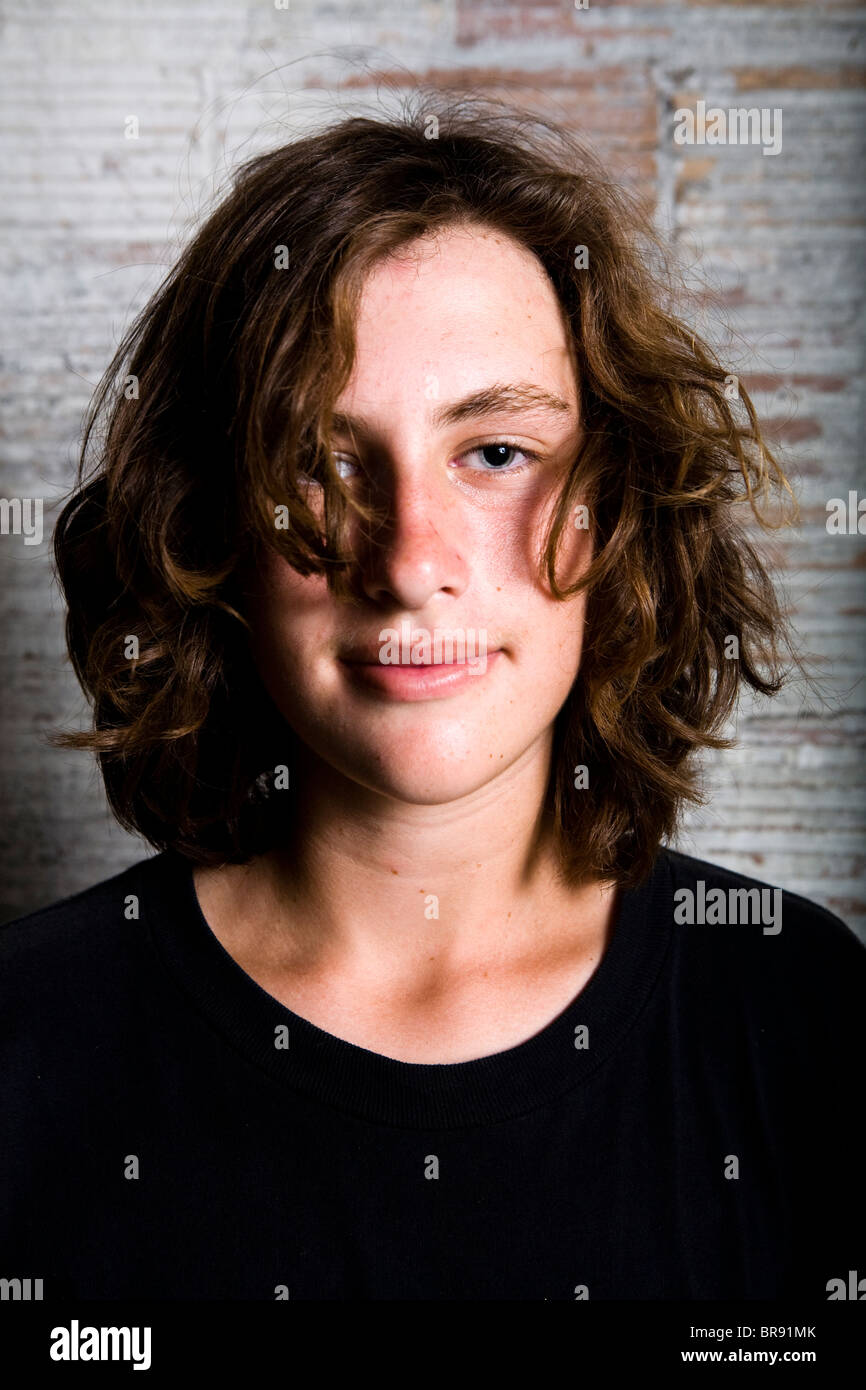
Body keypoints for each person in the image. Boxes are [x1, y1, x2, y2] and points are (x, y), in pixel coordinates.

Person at [1, 94, 863, 1302]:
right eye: (321, 460)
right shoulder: (27, 1042)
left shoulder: (807, 1023)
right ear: (212, 526)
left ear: (616, 508)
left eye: (495, 453)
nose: (409, 559)